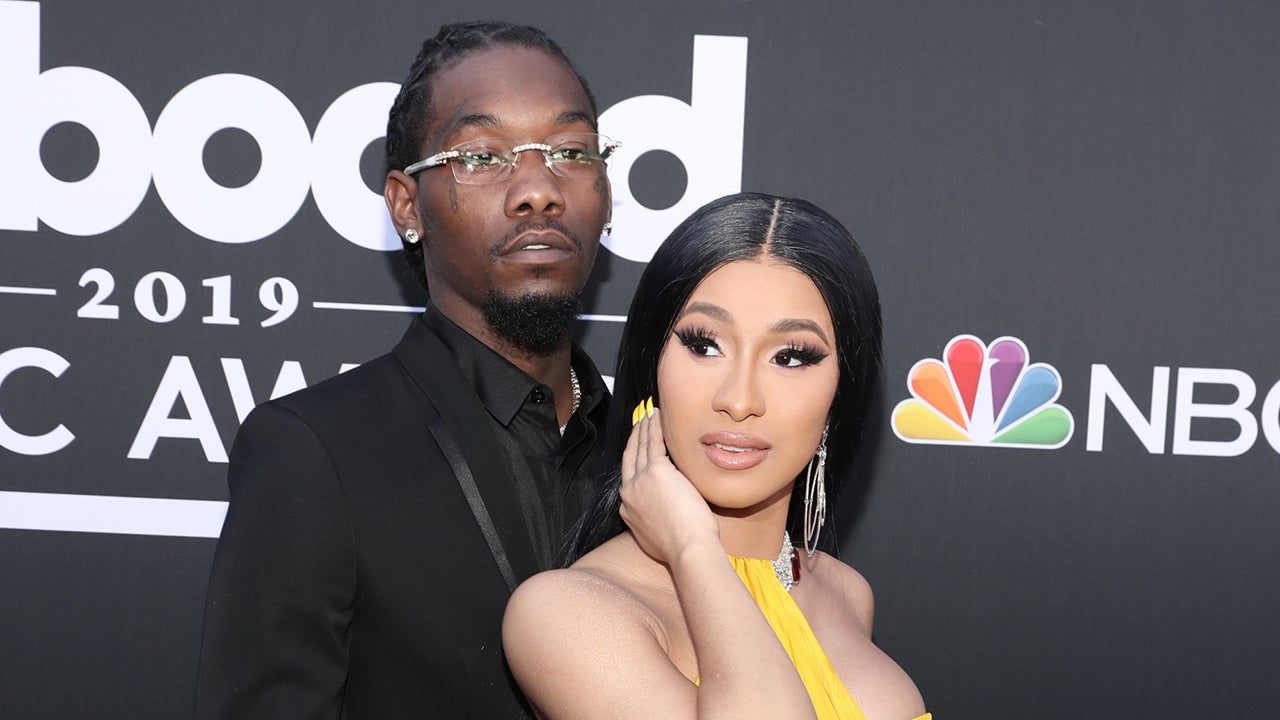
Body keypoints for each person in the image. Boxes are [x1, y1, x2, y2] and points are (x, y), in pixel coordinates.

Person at [195, 21, 616, 719]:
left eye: (570, 151)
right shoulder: (315, 453)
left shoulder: (661, 453)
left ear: (605, 189)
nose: (538, 189)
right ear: (405, 205)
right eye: (482, 156)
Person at [503, 192, 930, 719]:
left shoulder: (845, 593)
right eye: (704, 345)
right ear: (653, 364)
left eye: (791, 357)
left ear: (840, 394)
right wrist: (692, 549)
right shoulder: (567, 614)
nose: (739, 400)